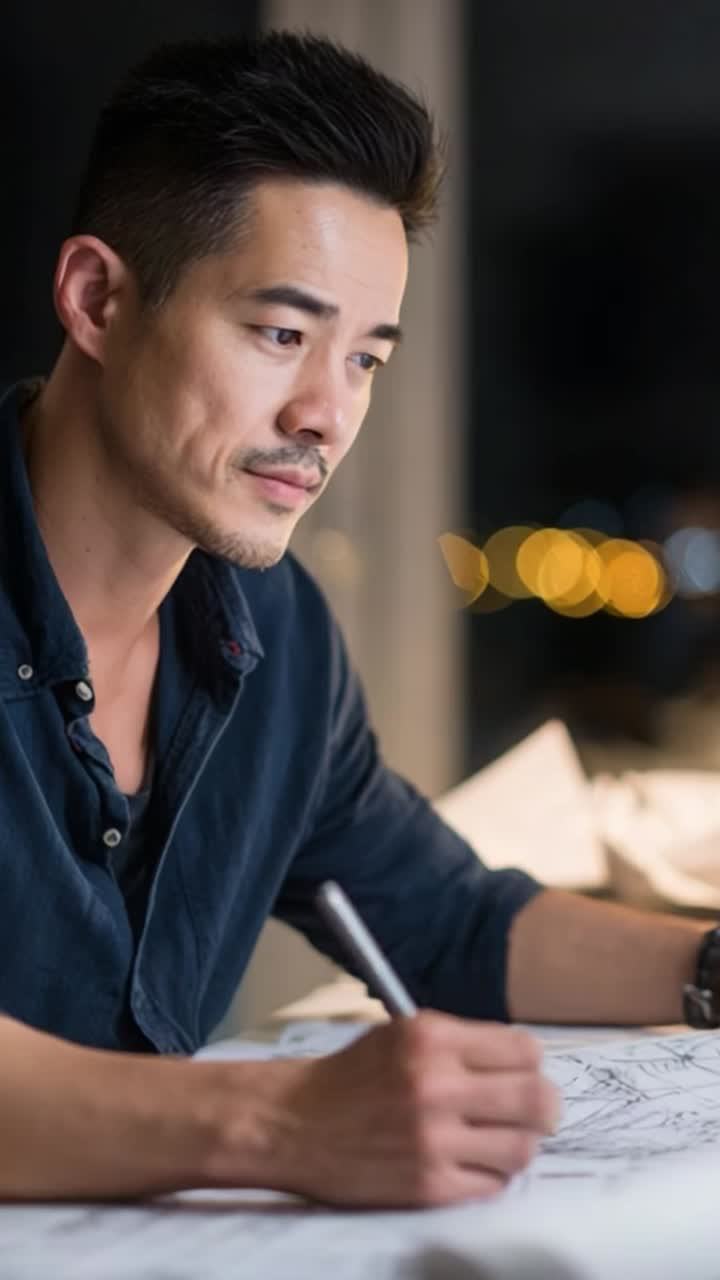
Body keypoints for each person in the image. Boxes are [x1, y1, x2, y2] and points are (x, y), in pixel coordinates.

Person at [0, 31, 712, 1209]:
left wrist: (710, 968)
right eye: (281, 334)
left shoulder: (269, 635)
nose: (328, 413)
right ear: (97, 298)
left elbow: (443, 920)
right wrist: (277, 1119)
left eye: (366, 358)